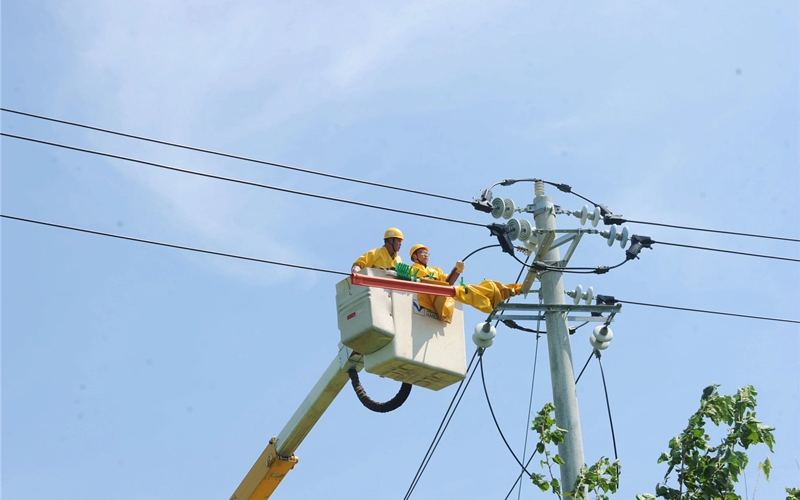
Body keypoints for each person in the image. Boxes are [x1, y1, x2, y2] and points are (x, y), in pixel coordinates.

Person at [408, 243, 521, 323]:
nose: (426, 255)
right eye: (422, 252)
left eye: (427, 253)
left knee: (487, 285)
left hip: (444, 293)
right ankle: (494, 303)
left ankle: (511, 290)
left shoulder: (436, 270)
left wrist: (457, 270)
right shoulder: (412, 269)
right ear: (414, 256)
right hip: (433, 296)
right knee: (467, 291)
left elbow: (448, 282)